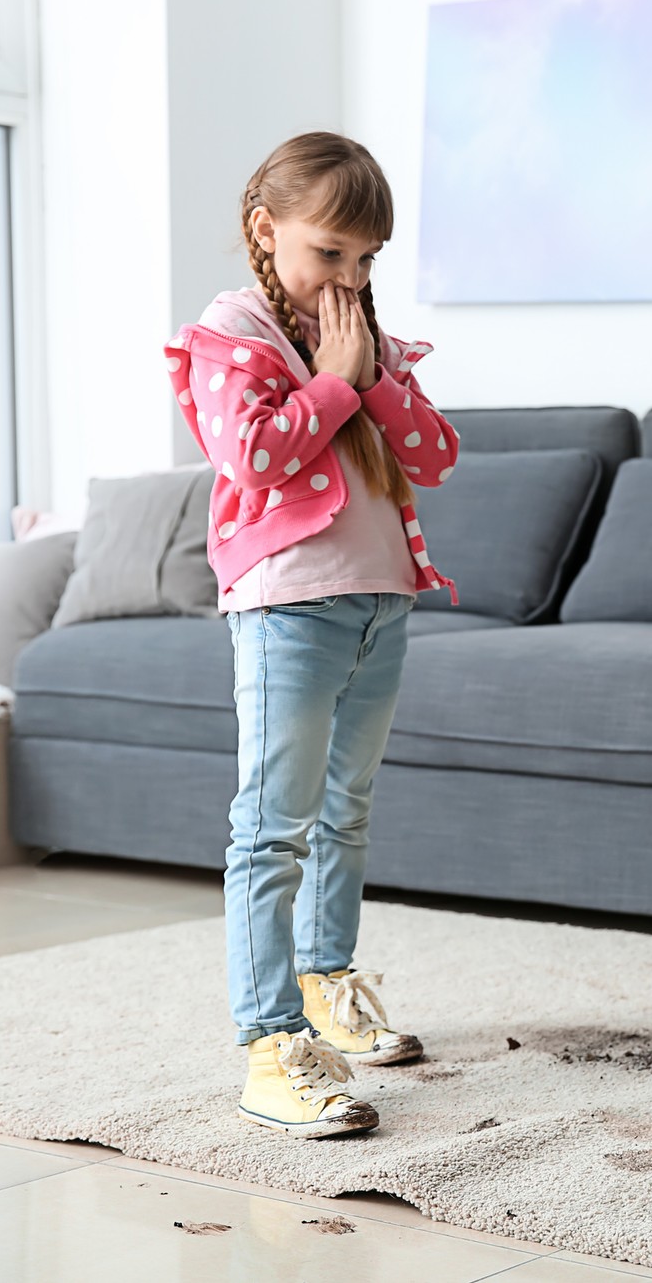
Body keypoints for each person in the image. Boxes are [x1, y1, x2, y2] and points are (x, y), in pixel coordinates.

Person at [163, 131, 460, 1138]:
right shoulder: (234, 330)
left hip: (381, 599)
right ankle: (270, 1044)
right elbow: (249, 457)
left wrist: (364, 372)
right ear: (266, 230)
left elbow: (433, 452)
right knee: (273, 824)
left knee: (347, 809)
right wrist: (331, 380)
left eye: (366, 260)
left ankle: (328, 977)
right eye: (330, 252)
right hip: (289, 603)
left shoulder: (358, 336)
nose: (349, 277)